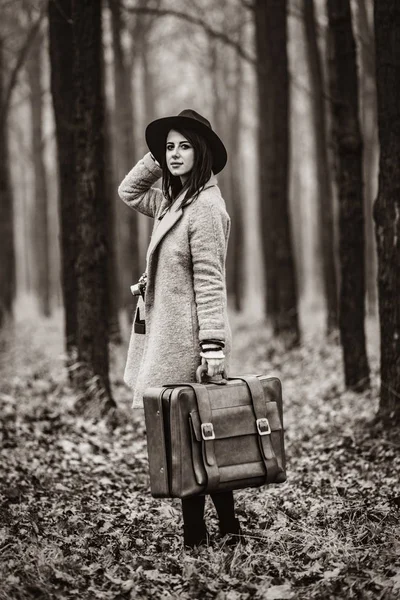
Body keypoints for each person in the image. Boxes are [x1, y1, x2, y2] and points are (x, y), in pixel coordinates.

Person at [118, 109, 241, 548]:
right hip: (168, 337)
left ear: (201, 151)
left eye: (184, 146)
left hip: (190, 343)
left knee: (192, 437)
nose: (174, 153)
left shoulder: (205, 208)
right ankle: (226, 531)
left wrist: (213, 349)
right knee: (192, 435)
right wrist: (156, 157)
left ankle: (199, 536)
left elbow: (211, 282)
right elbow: (129, 191)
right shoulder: (174, 202)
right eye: (168, 146)